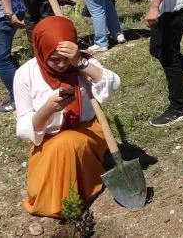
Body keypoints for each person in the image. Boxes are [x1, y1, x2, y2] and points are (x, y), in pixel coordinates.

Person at [13, 16, 121, 218]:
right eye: (54, 59)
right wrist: (47, 110)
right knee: (60, 149)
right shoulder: (24, 74)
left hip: (88, 133)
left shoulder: (82, 64)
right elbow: (23, 127)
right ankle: (66, 194)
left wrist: (79, 61)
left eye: (65, 58)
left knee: (68, 143)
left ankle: (67, 200)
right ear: (40, 50)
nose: (62, 65)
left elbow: (113, 84)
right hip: (47, 141)